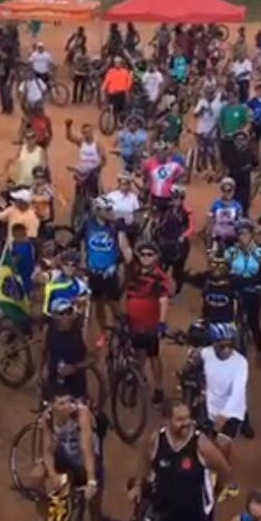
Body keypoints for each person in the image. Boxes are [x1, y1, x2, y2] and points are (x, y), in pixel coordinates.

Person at [30, 389, 105, 521]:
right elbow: (47, 450)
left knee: (94, 508)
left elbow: (86, 448)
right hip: (66, 459)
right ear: (52, 405)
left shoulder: (81, 414)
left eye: (69, 401)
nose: (68, 406)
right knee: (40, 478)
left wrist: (91, 480)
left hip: (87, 461)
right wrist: (52, 475)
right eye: (61, 403)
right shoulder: (48, 418)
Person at [120, 238, 171, 407]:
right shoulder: (133, 270)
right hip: (132, 322)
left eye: (150, 254)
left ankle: (158, 388)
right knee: (137, 353)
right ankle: (137, 378)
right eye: (142, 254)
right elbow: (126, 250)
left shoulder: (160, 277)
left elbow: (163, 300)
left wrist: (162, 323)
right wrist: (120, 230)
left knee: (153, 356)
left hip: (150, 325)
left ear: (156, 257)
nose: (146, 257)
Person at [198, 322, 249, 472]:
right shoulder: (206, 354)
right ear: (214, 344)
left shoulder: (241, 363)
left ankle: (223, 473)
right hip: (209, 408)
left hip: (232, 411)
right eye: (222, 346)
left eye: (230, 345)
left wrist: (224, 415)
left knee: (222, 445)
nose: (226, 349)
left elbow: (238, 392)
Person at [77, 196, 124, 346]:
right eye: (107, 210)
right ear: (97, 211)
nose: (111, 212)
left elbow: (122, 251)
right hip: (94, 273)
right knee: (99, 305)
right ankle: (104, 333)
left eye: (111, 209)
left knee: (115, 305)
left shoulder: (115, 227)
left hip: (110, 273)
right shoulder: (88, 224)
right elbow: (77, 239)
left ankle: (121, 330)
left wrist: (114, 265)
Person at [225, 220, 261, 367]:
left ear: (251, 234)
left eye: (246, 233)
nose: (243, 237)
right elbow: (225, 272)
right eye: (240, 234)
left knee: (254, 323)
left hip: (252, 291)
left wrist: (243, 281)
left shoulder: (260, 253)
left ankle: (259, 351)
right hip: (235, 290)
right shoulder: (230, 252)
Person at [42, 298, 95, 399]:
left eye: (68, 312)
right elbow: (42, 351)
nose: (65, 317)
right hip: (53, 381)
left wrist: (75, 367)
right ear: (54, 316)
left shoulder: (82, 332)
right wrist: (39, 372)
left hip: (76, 385)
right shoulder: (47, 330)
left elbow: (94, 357)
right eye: (61, 313)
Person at [65, 120, 106, 200]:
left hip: (93, 174)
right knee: (79, 194)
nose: (87, 134)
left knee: (95, 196)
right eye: (85, 132)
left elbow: (103, 160)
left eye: (89, 132)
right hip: (81, 174)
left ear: (92, 132)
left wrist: (96, 167)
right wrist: (68, 127)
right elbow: (69, 137)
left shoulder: (97, 145)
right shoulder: (81, 142)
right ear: (82, 134)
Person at [42, 249, 90, 316]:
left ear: (77, 267)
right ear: (62, 265)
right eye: (66, 264)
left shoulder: (80, 284)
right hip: (51, 315)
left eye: (73, 265)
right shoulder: (53, 277)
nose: (69, 267)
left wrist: (79, 301)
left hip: (71, 316)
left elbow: (85, 302)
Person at [142, 141, 184, 209]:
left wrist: (178, 195)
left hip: (169, 198)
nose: (162, 154)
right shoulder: (148, 164)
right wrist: (148, 183)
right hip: (154, 197)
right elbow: (145, 175)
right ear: (156, 153)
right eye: (159, 152)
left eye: (164, 152)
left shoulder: (174, 165)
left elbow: (181, 178)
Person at [208, 177, 243, 250]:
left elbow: (239, 220)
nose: (227, 193)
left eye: (229, 190)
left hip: (231, 233)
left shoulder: (237, 206)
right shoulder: (216, 203)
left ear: (233, 191)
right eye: (224, 190)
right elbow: (211, 217)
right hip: (217, 233)